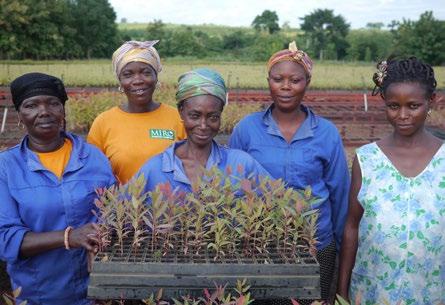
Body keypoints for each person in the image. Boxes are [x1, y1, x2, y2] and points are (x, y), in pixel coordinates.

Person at [229, 42, 350, 302]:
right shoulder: (246, 129)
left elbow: (340, 193)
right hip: (260, 242)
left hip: (317, 243)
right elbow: (232, 187)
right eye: (278, 79)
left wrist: (341, 247)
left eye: (295, 80)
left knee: (310, 299)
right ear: (268, 81)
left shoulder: (326, 133)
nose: (286, 86)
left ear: (307, 81)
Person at [0, 73, 116, 305]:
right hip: (39, 293)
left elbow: (113, 211)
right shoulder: (6, 167)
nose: (44, 111)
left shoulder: (93, 157)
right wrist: (68, 237)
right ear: (20, 115)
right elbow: (5, 239)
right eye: (31, 105)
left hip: (94, 291)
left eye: (53, 103)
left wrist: (104, 234)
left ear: (63, 111)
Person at [337, 57, 445, 304]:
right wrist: (342, 292)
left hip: (432, 291)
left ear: (432, 101)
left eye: (414, 106)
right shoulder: (367, 160)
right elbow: (352, 227)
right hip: (374, 290)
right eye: (394, 106)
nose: (403, 115)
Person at [136, 68, 269, 194]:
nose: (203, 125)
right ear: (181, 112)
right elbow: (121, 206)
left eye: (213, 117)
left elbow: (281, 201)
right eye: (195, 116)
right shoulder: (154, 168)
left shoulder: (240, 164)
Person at [88, 40, 186, 184]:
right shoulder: (103, 123)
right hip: (121, 205)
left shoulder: (178, 119)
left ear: (156, 76)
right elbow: (94, 175)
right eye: (128, 74)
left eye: (146, 72)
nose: (138, 80)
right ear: (120, 81)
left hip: (172, 205)